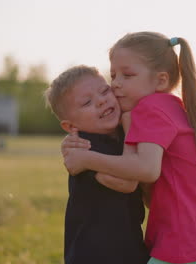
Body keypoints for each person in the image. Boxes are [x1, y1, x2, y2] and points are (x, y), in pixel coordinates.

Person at [63, 32, 196, 264]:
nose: (116, 83)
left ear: (160, 80)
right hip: (195, 237)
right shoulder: (171, 106)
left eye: (127, 75)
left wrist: (86, 159)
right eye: (113, 75)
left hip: (179, 241)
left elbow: (147, 169)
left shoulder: (151, 109)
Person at [44, 65, 149, 264]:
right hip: (93, 253)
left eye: (104, 91)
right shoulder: (84, 147)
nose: (101, 101)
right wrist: (129, 123)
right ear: (71, 126)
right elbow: (127, 183)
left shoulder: (119, 136)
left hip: (128, 247)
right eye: (87, 102)